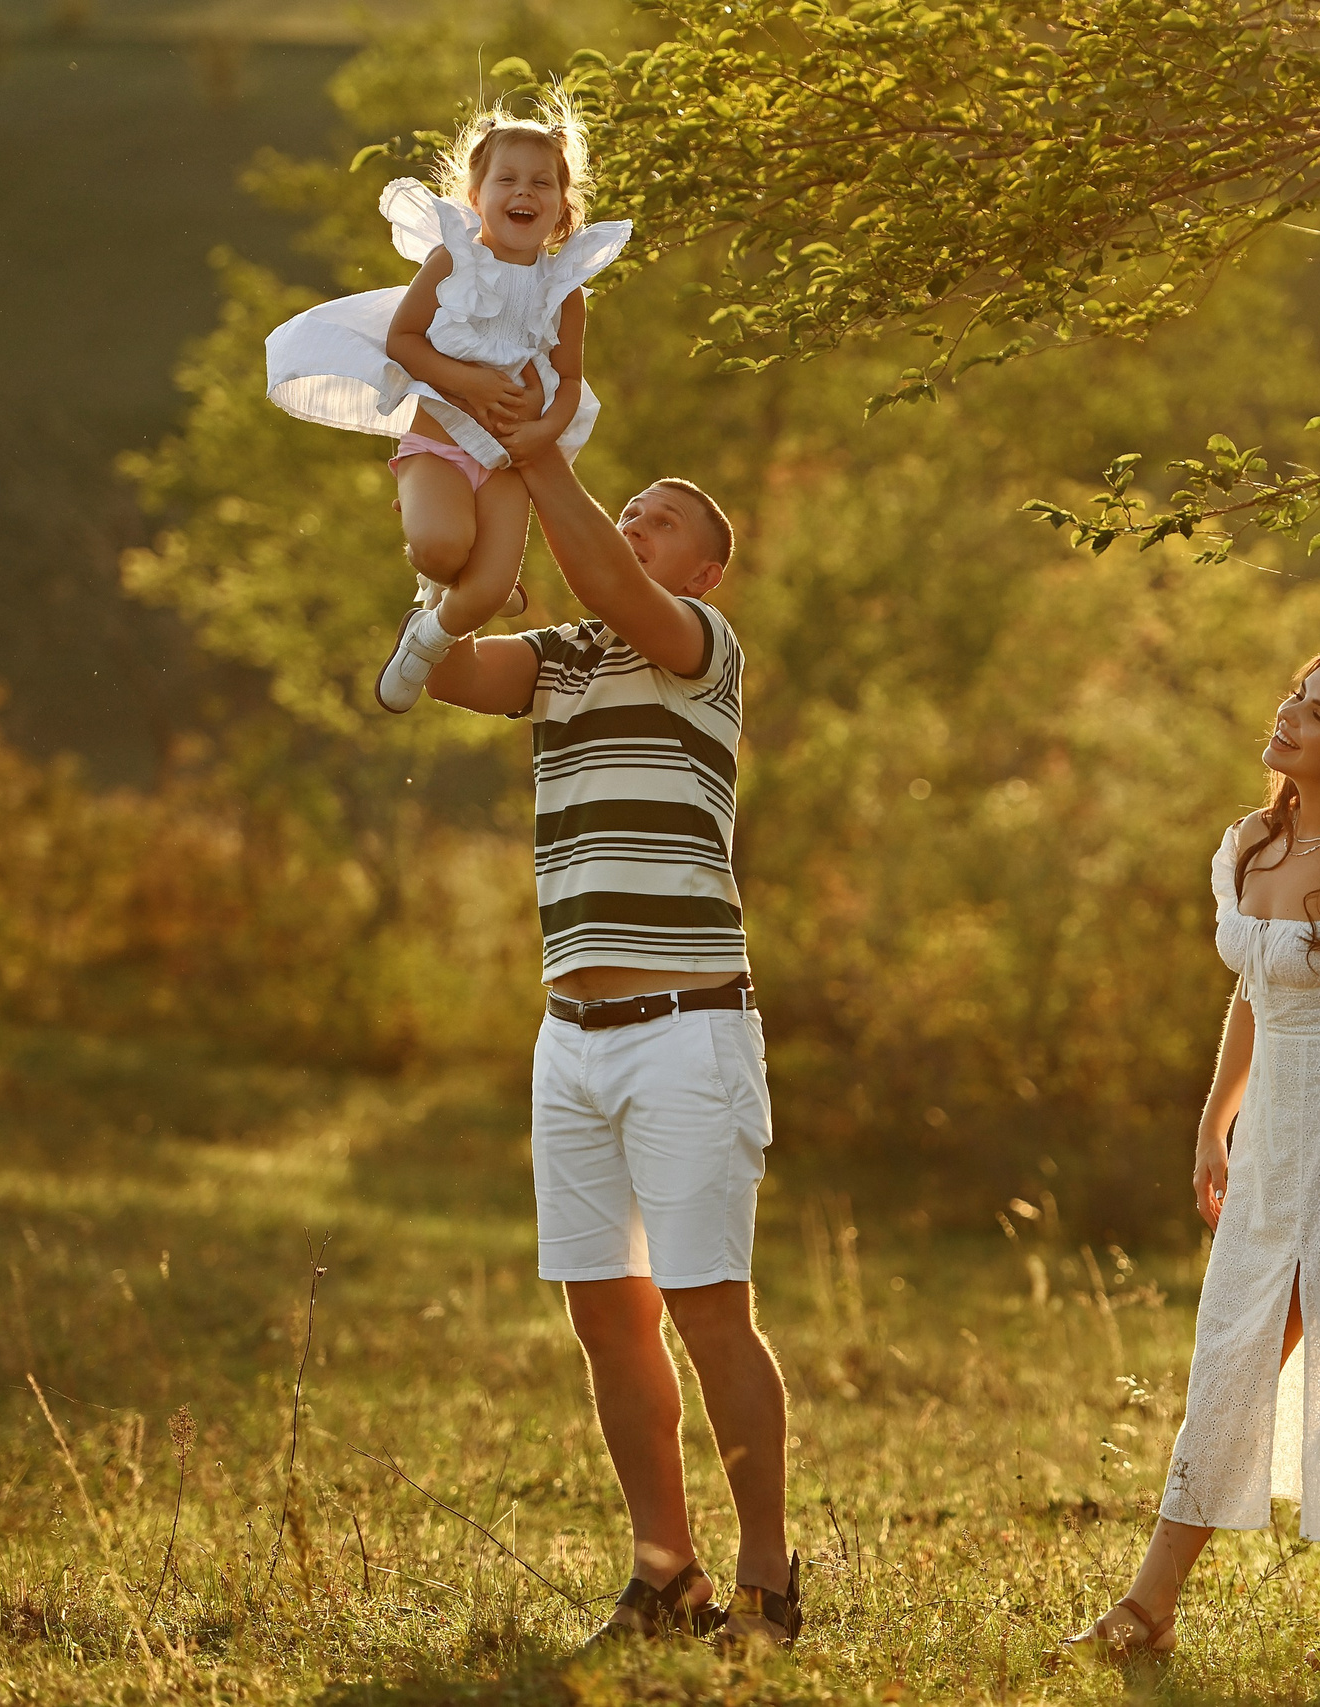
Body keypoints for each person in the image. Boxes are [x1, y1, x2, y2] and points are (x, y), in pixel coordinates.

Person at [418, 385, 801, 1651]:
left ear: (706, 569)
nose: (634, 524)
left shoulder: (698, 646)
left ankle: (767, 1583)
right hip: (569, 1041)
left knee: (706, 1309)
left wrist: (539, 464)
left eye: (659, 519)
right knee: (604, 1316)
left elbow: (605, 576)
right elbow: (449, 670)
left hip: (687, 1029)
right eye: (627, 508)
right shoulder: (563, 660)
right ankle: (664, 1579)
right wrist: (456, 538)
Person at [1061, 647, 1320, 1668]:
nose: (1289, 715)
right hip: (1274, 1144)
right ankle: (1149, 1608)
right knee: (1228, 1364)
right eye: (1296, 695)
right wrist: (1217, 1120)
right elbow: (1254, 988)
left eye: (1317, 713)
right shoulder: (1254, 841)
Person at [262, 90, 633, 713]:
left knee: (485, 596)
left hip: (508, 460)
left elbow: (569, 381)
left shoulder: (564, 292)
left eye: (542, 183)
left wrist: (543, 434)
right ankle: (442, 571)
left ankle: (425, 639)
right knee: (440, 550)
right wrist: (470, 383)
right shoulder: (452, 263)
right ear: (477, 197)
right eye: (507, 179)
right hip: (439, 442)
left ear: (561, 207)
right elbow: (403, 341)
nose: (524, 191)